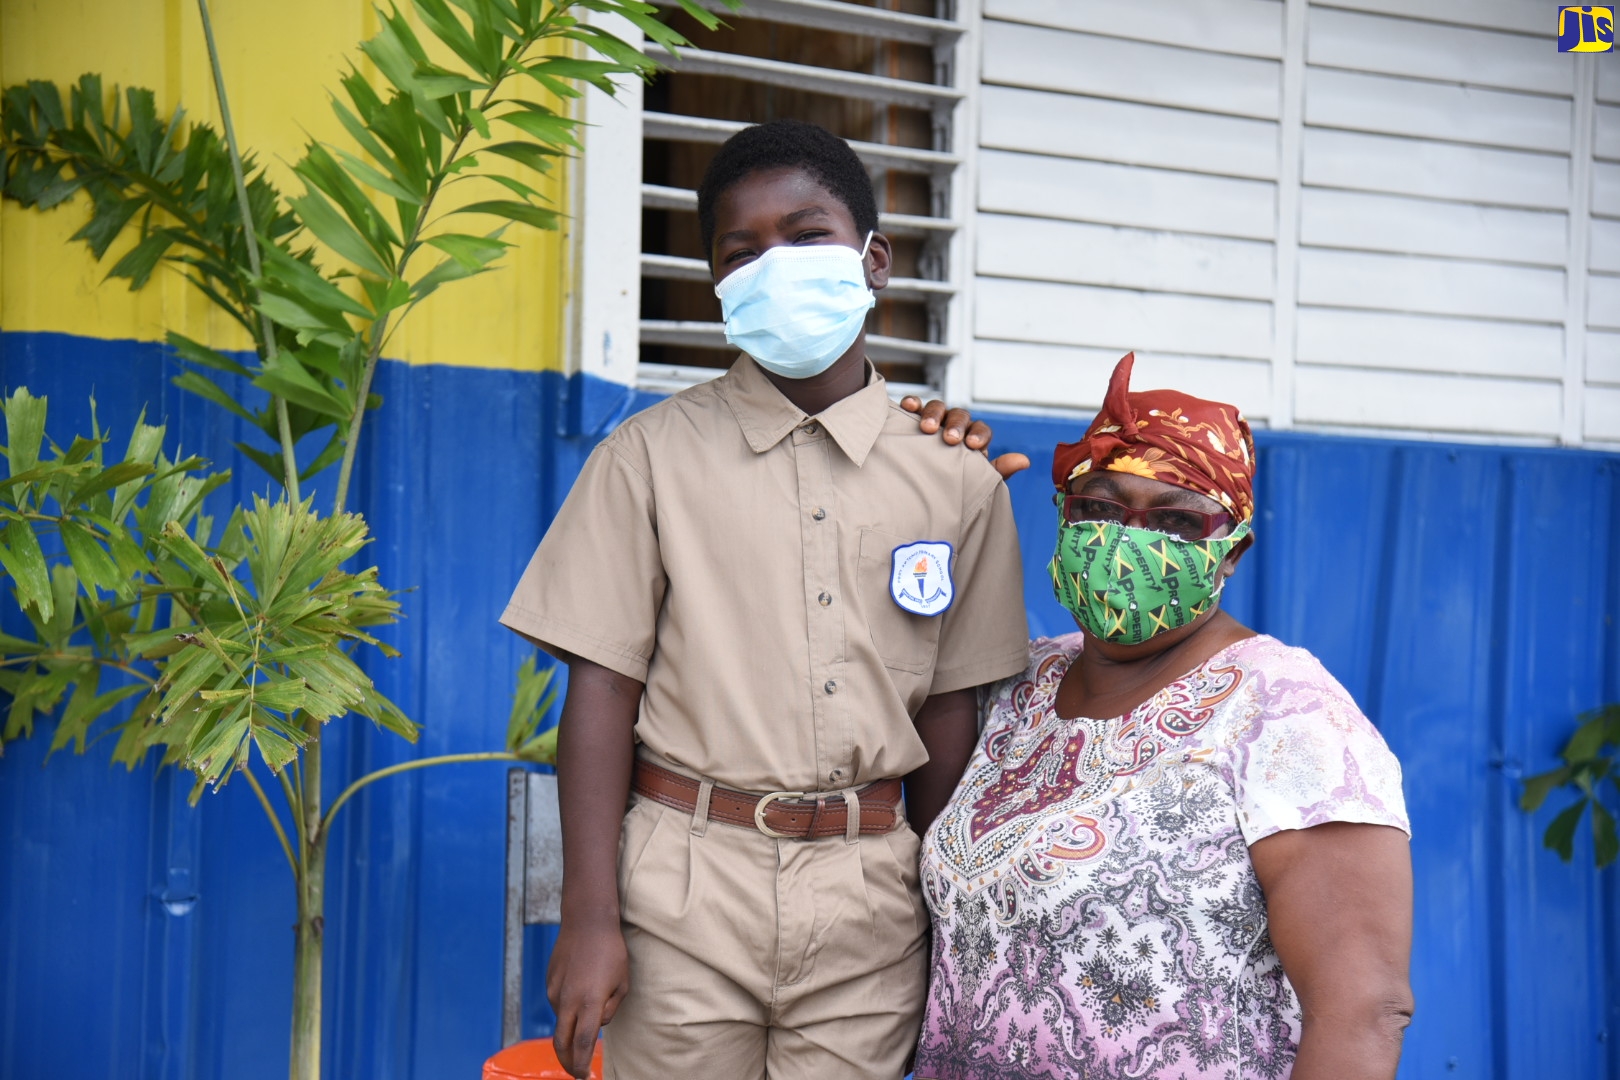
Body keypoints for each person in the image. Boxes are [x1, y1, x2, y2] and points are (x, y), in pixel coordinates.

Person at [500, 119, 1030, 1080]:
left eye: (806, 235)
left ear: (875, 259)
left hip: (872, 891)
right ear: (717, 288)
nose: (774, 265)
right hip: (683, 886)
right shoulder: (648, 460)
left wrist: (951, 915)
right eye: (741, 252)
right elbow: (602, 688)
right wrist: (590, 917)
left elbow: (955, 711)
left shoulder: (957, 477)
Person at [913, 353, 1414, 1080]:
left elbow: (1363, 1008)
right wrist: (933, 506)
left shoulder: (1283, 709)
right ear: (1064, 516)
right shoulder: (1017, 683)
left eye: (1178, 520)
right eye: (1101, 507)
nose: (1129, 540)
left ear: (1231, 550)